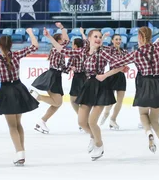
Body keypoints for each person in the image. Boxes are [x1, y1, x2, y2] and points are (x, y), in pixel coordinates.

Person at [104, 3, 159, 163]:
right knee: (156, 120)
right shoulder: (158, 46)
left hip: (145, 85)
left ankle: (148, 132)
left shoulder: (136, 54)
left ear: (141, 38)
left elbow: (118, 61)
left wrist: (102, 53)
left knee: (143, 114)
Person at [44, 27, 125, 160]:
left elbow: (120, 65)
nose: (98, 39)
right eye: (96, 37)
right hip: (88, 86)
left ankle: (99, 145)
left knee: (92, 122)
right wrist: (49, 37)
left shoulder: (103, 53)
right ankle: (93, 137)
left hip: (102, 87)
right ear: (89, 39)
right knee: (82, 122)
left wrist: (105, 75)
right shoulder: (83, 52)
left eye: (100, 37)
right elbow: (62, 50)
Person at [0, 29, 40, 165]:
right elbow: (35, 46)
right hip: (18, 88)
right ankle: (21, 151)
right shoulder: (17, 55)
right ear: (11, 45)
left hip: (7, 91)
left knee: (12, 125)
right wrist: (30, 33)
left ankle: (19, 152)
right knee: (18, 123)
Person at [30, 22, 68, 134]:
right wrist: (60, 29)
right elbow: (67, 40)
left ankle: (42, 121)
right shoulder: (57, 49)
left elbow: (62, 66)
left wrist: (69, 69)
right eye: (62, 39)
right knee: (57, 102)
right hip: (53, 76)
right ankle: (38, 97)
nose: (65, 40)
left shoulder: (57, 49)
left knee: (57, 103)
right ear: (58, 40)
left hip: (56, 75)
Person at [99, 34, 127, 130]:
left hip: (121, 76)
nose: (118, 41)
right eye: (116, 39)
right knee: (110, 101)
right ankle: (106, 114)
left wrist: (125, 68)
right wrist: (103, 37)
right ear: (112, 40)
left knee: (120, 101)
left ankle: (113, 119)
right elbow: (99, 46)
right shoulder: (110, 50)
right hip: (111, 75)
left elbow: (125, 63)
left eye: (119, 39)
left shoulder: (124, 51)